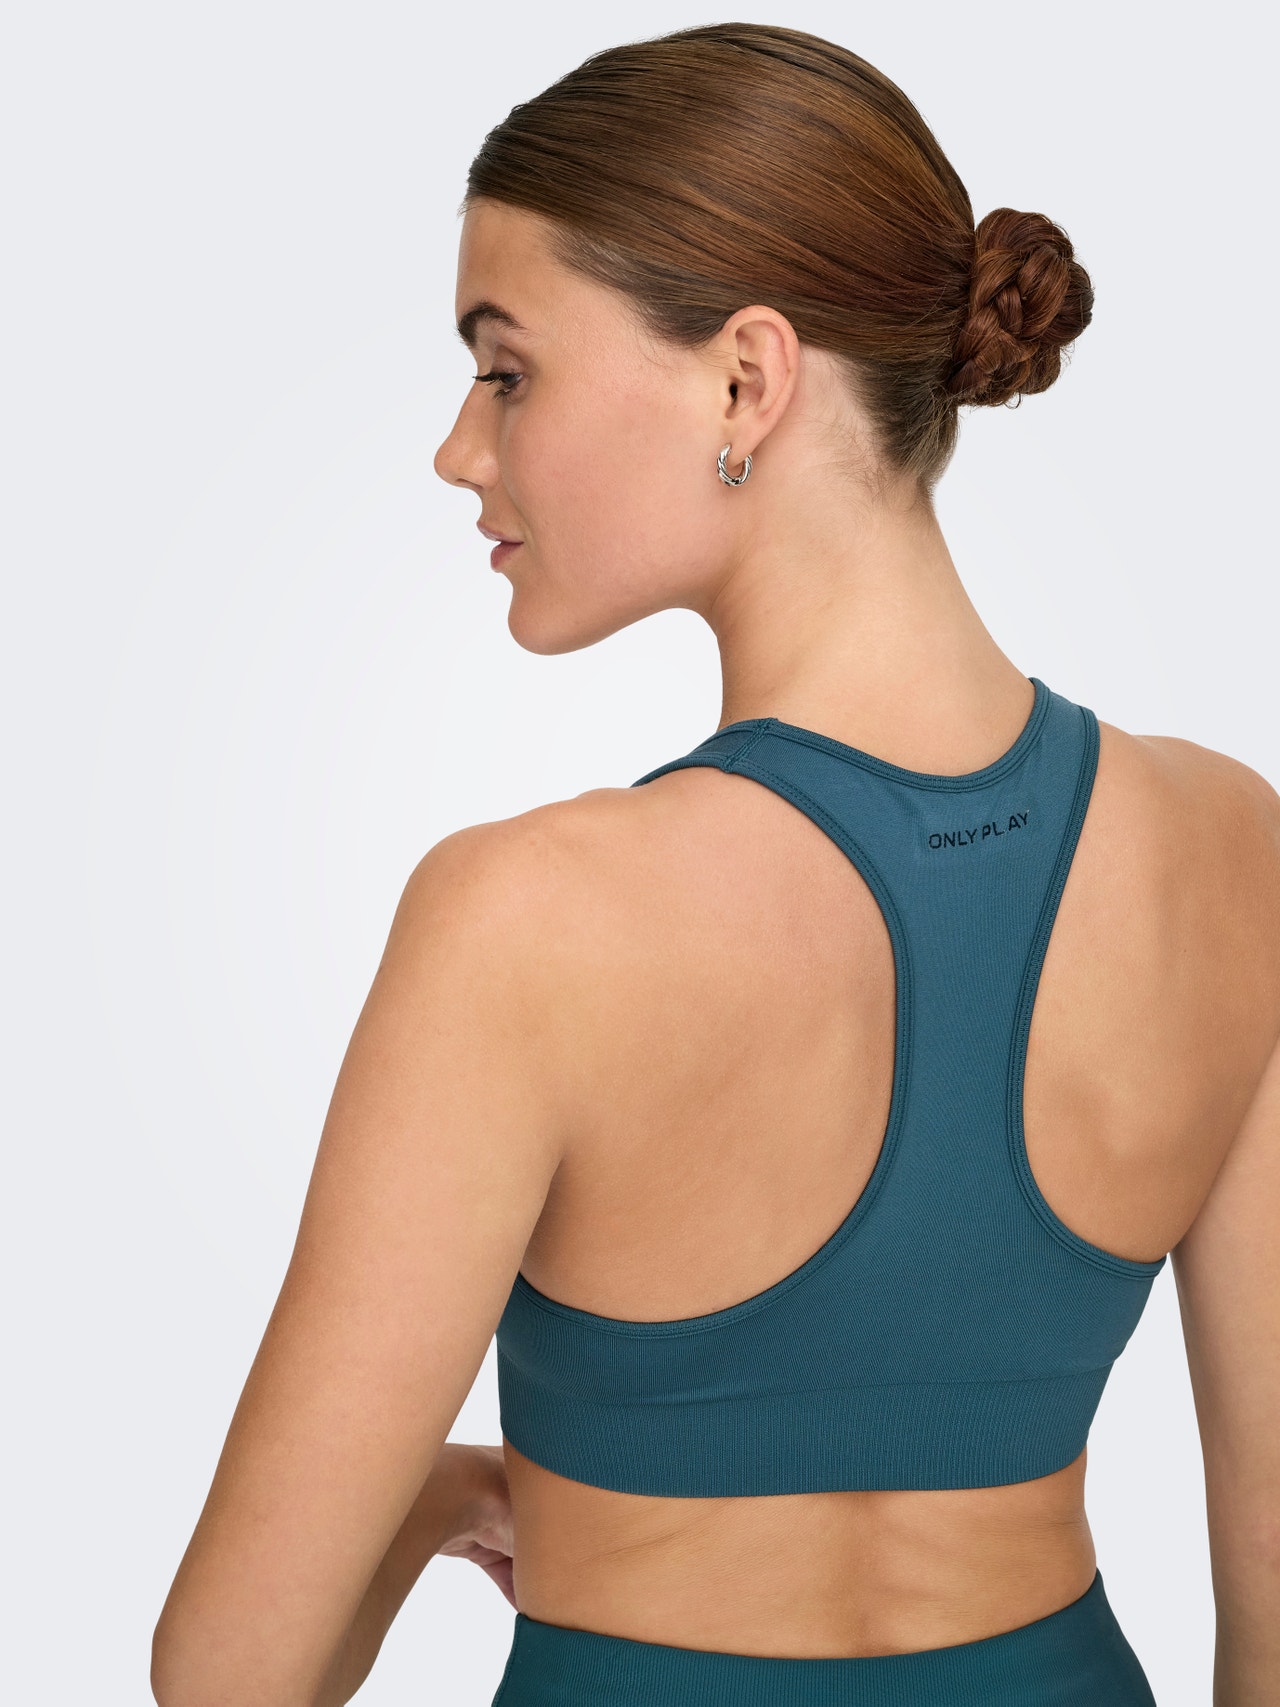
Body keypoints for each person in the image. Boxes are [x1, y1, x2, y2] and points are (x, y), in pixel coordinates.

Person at [151, 22, 1280, 1707]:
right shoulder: (1231, 846)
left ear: (747, 379)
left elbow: (231, 1671)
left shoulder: (525, 923)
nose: (461, 446)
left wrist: (434, 1503)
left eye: (507, 370)